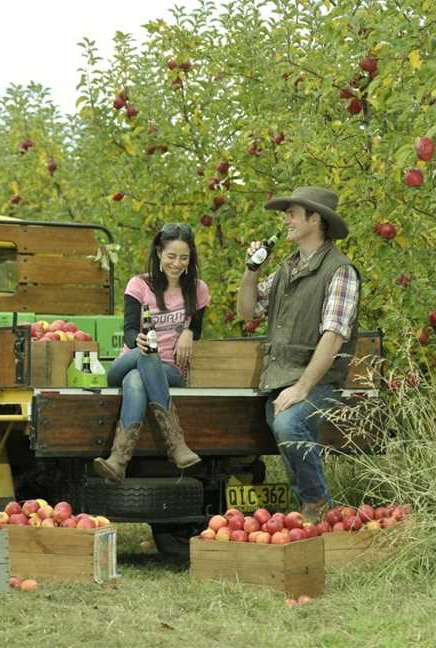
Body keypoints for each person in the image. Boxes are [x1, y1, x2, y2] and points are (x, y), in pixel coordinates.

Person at [235, 186, 361, 519]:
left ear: (315, 218)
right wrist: (251, 271)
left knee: (289, 424)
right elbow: (247, 312)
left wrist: (301, 388)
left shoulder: (340, 271)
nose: (286, 219)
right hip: (280, 379)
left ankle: (317, 505)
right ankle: (312, 510)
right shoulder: (286, 268)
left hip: (320, 384)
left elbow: (333, 339)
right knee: (280, 423)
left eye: (292, 213)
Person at [93, 223, 210, 485]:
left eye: (184, 258)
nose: (177, 263)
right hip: (130, 360)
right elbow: (129, 331)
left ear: (190, 259)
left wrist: (190, 332)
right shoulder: (140, 284)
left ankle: (118, 460)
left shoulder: (198, 290)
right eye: (171, 256)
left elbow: (198, 330)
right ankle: (176, 444)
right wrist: (139, 340)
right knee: (145, 358)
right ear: (159, 253)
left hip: (170, 372)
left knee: (136, 380)